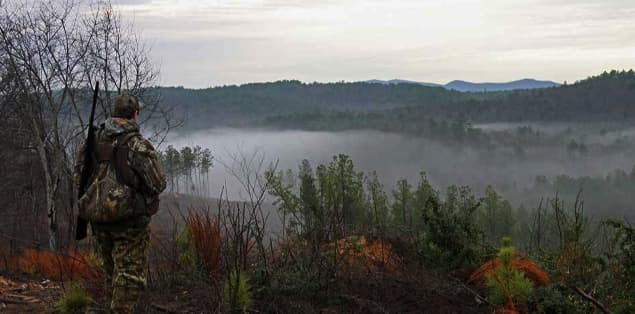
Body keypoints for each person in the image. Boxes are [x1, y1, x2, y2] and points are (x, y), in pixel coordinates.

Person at [74, 93, 166, 313]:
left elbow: (78, 176)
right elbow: (158, 183)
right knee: (130, 278)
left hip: (99, 220)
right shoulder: (137, 144)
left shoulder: (94, 141)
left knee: (112, 273)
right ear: (135, 114)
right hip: (129, 222)